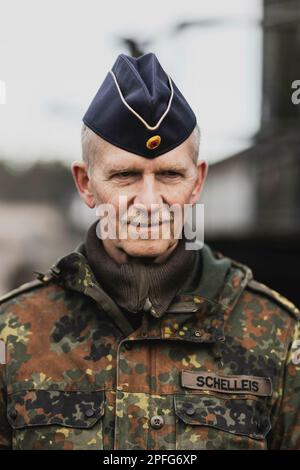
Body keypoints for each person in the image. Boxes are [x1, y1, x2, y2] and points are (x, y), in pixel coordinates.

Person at [0, 53, 299, 450]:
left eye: (170, 175)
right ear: (86, 184)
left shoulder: (278, 336)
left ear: (197, 183)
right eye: (125, 175)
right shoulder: (13, 331)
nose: (149, 201)